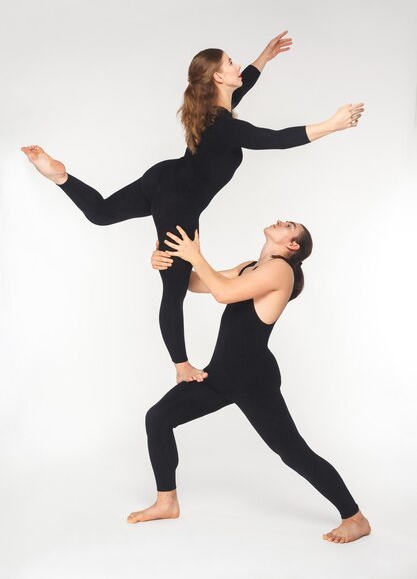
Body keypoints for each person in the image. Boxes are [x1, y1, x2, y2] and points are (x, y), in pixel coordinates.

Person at [21, 31, 365, 382]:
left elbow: (241, 88)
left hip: (165, 178)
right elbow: (274, 139)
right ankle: (181, 365)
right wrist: (331, 125)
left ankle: (60, 177)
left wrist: (264, 58)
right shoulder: (223, 126)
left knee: (102, 213)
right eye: (231, 63)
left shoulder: (213, 112)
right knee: (174, 288)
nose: (237, 67)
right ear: (218, 77)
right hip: (178, 203)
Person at [126, 222, 371, 544]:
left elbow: (223, 293)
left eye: (290, 226)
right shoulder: (250, 267)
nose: (282, 222)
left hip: (253, 378)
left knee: (293, 452)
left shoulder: (282, 270)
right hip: (221, 375)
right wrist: (166, 263)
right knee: (158, 418)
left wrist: (196, 255)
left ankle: (355, 518)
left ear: (293, 245)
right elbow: (196, 283)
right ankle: (166, 501)